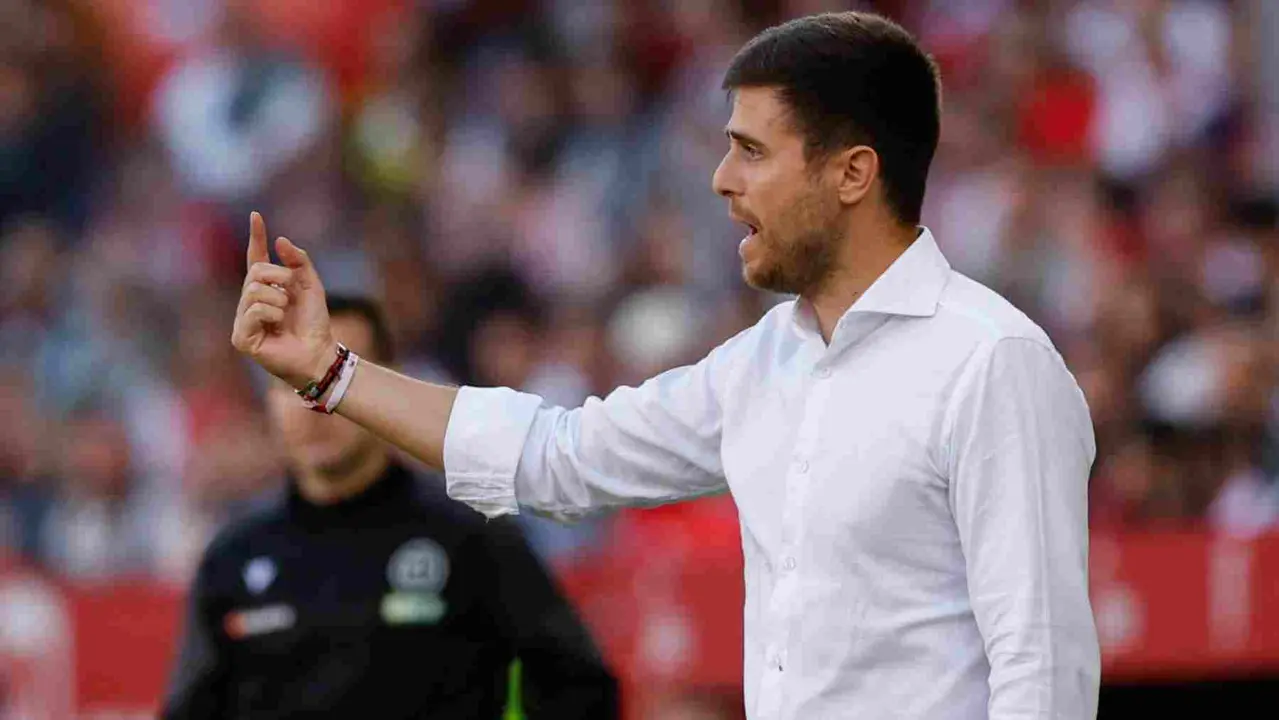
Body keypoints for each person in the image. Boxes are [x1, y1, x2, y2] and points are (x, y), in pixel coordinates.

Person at [230, 12, 1099, 720]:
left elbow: (1043, 671)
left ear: (852, 173)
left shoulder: (992, 363)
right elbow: (556, 458)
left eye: (752, 151)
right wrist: (330, 371)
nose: (721, 179)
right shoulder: (762, 363)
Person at [167, 295, 618, 719]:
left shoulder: (471, 538)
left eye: (334, 378)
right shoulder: (231, 558)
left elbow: (581, 691)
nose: (314, 404)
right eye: (291, 384)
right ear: (267, 402)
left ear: (386, 387)